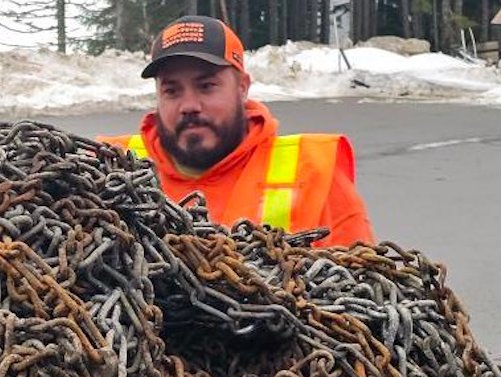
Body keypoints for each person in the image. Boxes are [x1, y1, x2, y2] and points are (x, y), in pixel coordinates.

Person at [102, 16, 374, 247]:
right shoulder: (108, 166)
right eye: (172, 91)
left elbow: (364, 280)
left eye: (206, 86)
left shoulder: (313, 171)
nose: (189, 105)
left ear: (242, 87)